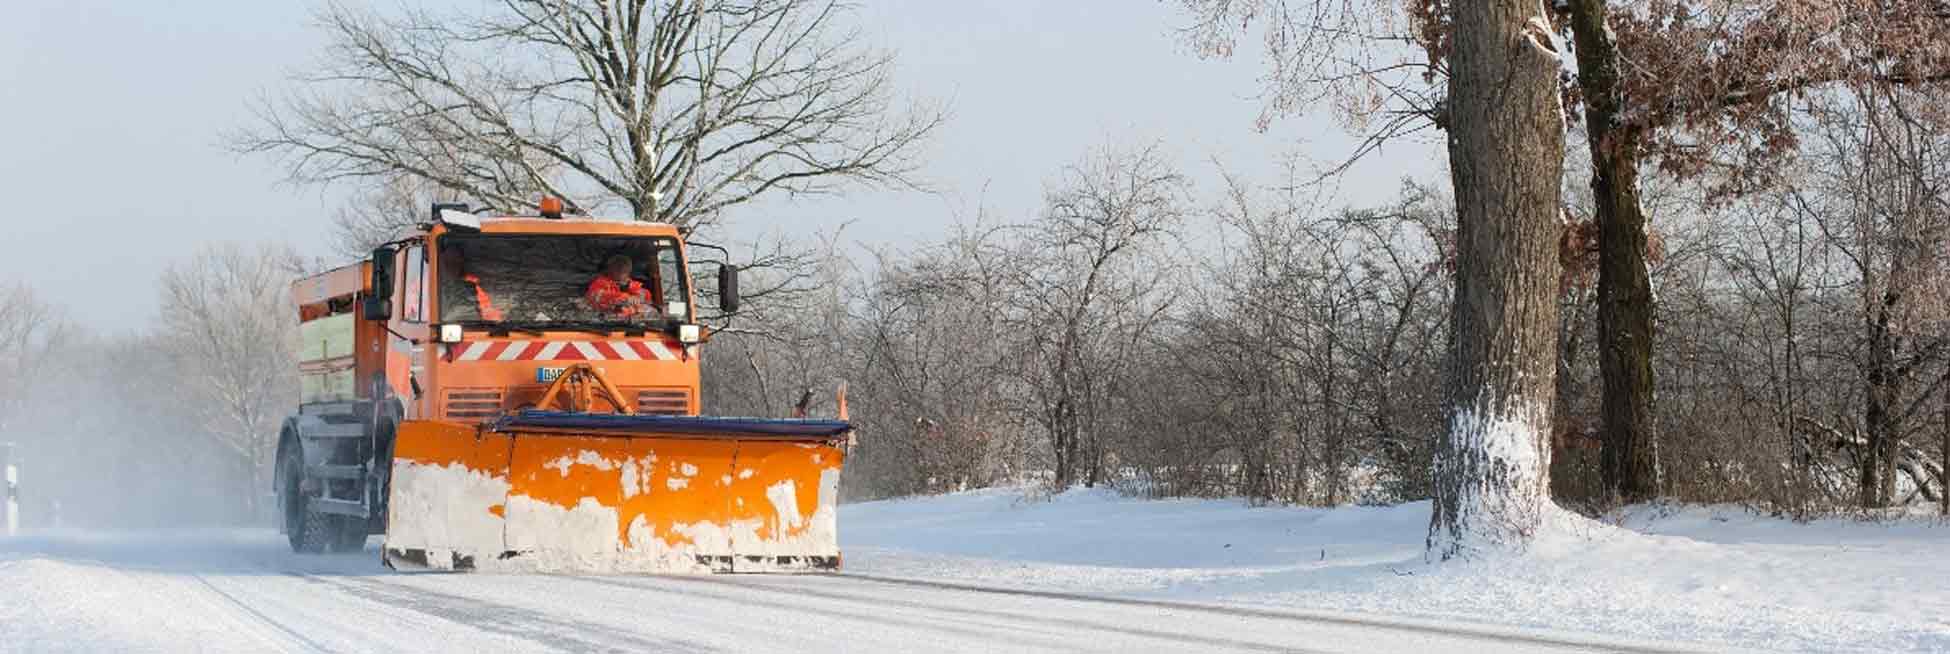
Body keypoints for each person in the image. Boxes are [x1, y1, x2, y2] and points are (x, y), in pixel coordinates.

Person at [585, 254, 659, 319]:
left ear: (628, 271)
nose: (621, 270)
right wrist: (625, 298)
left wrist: (637, 297)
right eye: (618, 267)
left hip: (633, 326)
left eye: (624, 268)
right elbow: (597, 296)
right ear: (609, 269)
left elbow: (646, 296)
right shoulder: (599, 283)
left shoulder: (634, 285)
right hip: (606, 324)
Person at [439, 247, 504, 321]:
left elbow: (484, 311)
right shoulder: (435, 288)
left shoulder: (470, 287)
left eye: (456, 262)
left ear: (461, 263)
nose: (453, 266)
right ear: (441, 264)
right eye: (449, 262)